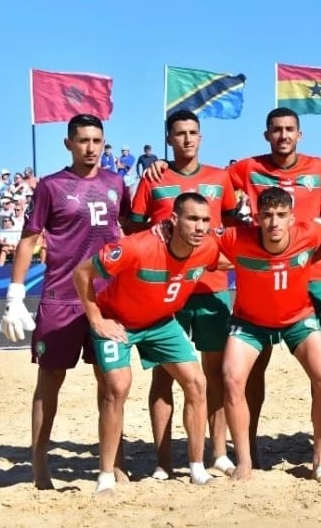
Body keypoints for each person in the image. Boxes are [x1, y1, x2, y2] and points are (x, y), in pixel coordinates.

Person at [0, 113, 131, 490]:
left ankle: (115, 462)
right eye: (84, 141)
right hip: (60, 299)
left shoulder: (116, 183)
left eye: (97, 141)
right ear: (68, 144)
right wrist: (15, 294)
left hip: (106, 301)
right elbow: (28, 239)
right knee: (50, 381)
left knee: (111, 383)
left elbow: (132, 228)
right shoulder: (51, 187)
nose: (91, 148)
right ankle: (40, 464)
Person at [73, 192, 222, 495]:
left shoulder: (207, 247)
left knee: (197, 383)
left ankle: (196, 468)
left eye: (205, 220)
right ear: (174, 219)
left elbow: (236, 259)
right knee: (117, 386)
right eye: (193, 219)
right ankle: (105, 475)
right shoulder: (136, 247)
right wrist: (97, 320)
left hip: (161, 323)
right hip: (118, 320)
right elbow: (81, 272)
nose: (200, 226)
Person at [130, 109, 240, 480]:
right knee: (163, 378)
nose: (187, 139)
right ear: (169, 139)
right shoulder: (153, 179)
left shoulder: (220, 178)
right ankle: (162, 460)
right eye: (180, 133)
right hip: (164, 294)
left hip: (212, 290)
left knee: (215, 375)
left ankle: (219, 452)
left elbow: (232, 225)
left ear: (201, 137)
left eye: (193, 132)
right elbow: (133, 226)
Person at [226, 108, 321, 465]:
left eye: (289, 130)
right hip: (258, 287)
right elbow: (212, 192)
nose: (283, 135)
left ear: (299, 134)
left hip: (307, 281)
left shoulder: (320, 168)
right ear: (266, 134)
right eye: (276, 130)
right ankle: (248, 450)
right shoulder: (246, 168)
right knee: (251, 372)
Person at [218, 187, 321, 482]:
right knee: (231, 378)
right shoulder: (234, 237)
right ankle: (244, 462)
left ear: (292, 218)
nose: (274, 223)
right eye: (267, 215)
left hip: (298, 319)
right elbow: (198, 233)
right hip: (250, 322)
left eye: (281, 215)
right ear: (256, 218)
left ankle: (320, 459)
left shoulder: (311, 232)